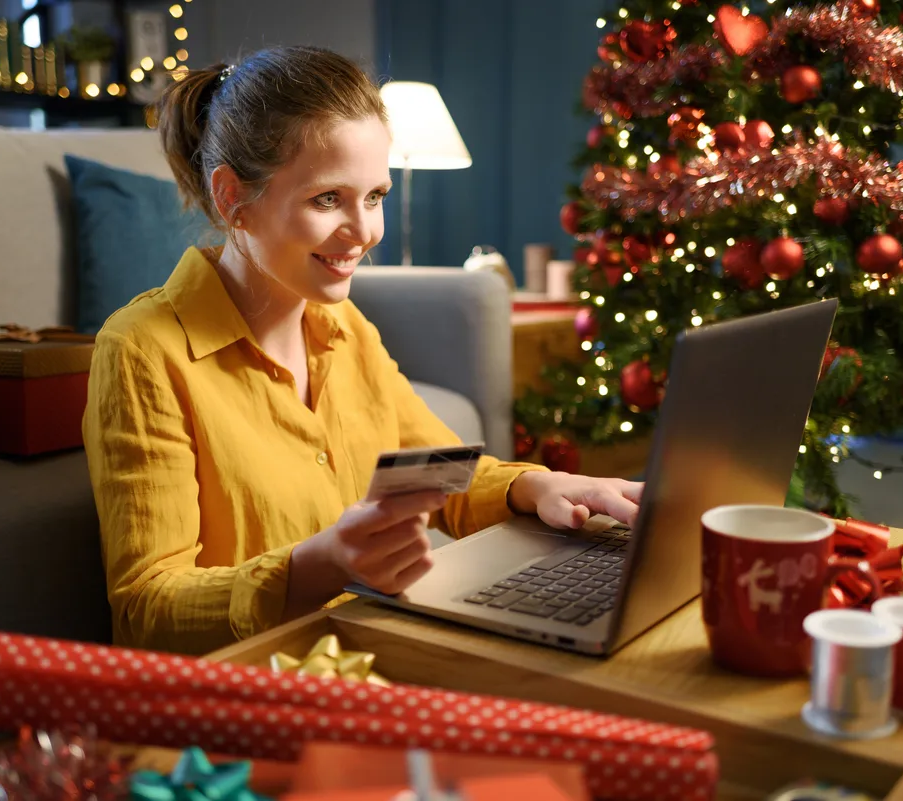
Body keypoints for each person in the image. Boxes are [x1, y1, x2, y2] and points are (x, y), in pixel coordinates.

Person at [82, 46, 643, 656]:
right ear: (230, 197)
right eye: (328, 199)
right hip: (250, 696)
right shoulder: (141, 350)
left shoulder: (343, 325)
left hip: (370, 651)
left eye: (375, 195)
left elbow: (439, 472)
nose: (366, 231)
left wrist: (540, 489)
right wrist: (322, 562)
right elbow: (146, 610)